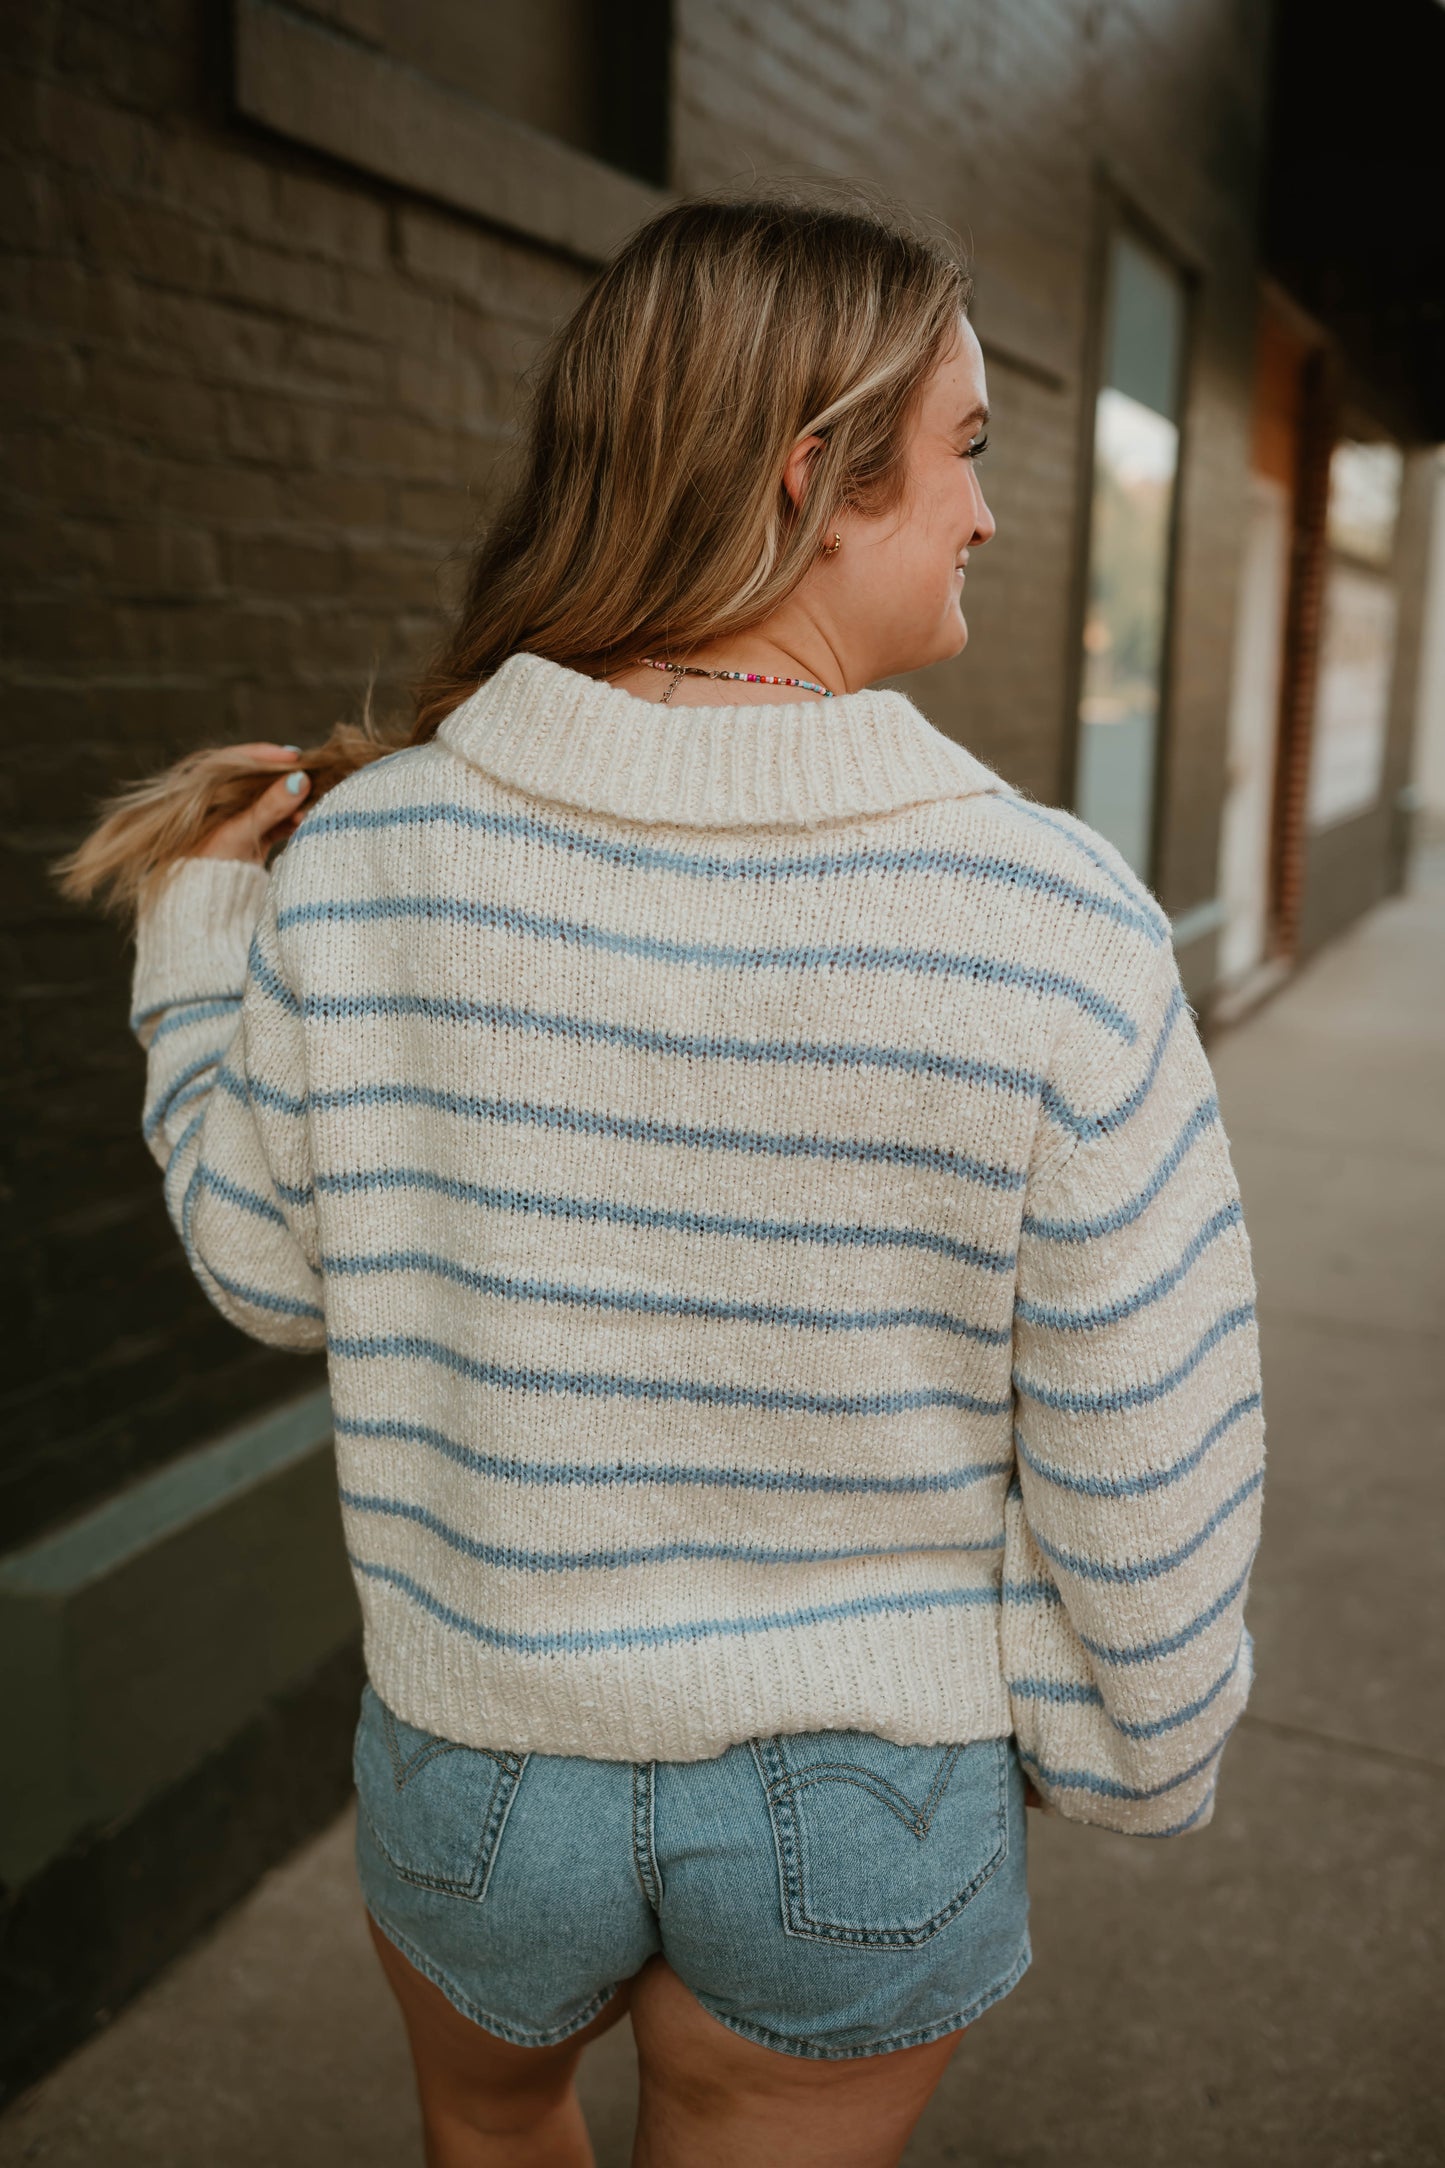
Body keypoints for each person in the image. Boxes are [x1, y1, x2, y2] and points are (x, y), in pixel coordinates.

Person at [59, 193, 1265, 2168]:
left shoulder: (372, 859)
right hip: (873, 1783)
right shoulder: (1055, 917)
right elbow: (1152, 1413)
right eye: (963, 452)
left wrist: (201, 938)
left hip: (482, 1761)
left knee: (490, 2137)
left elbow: (268, 1267)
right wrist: (1133, 1743)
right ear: (815, 476)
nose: (986, 514)